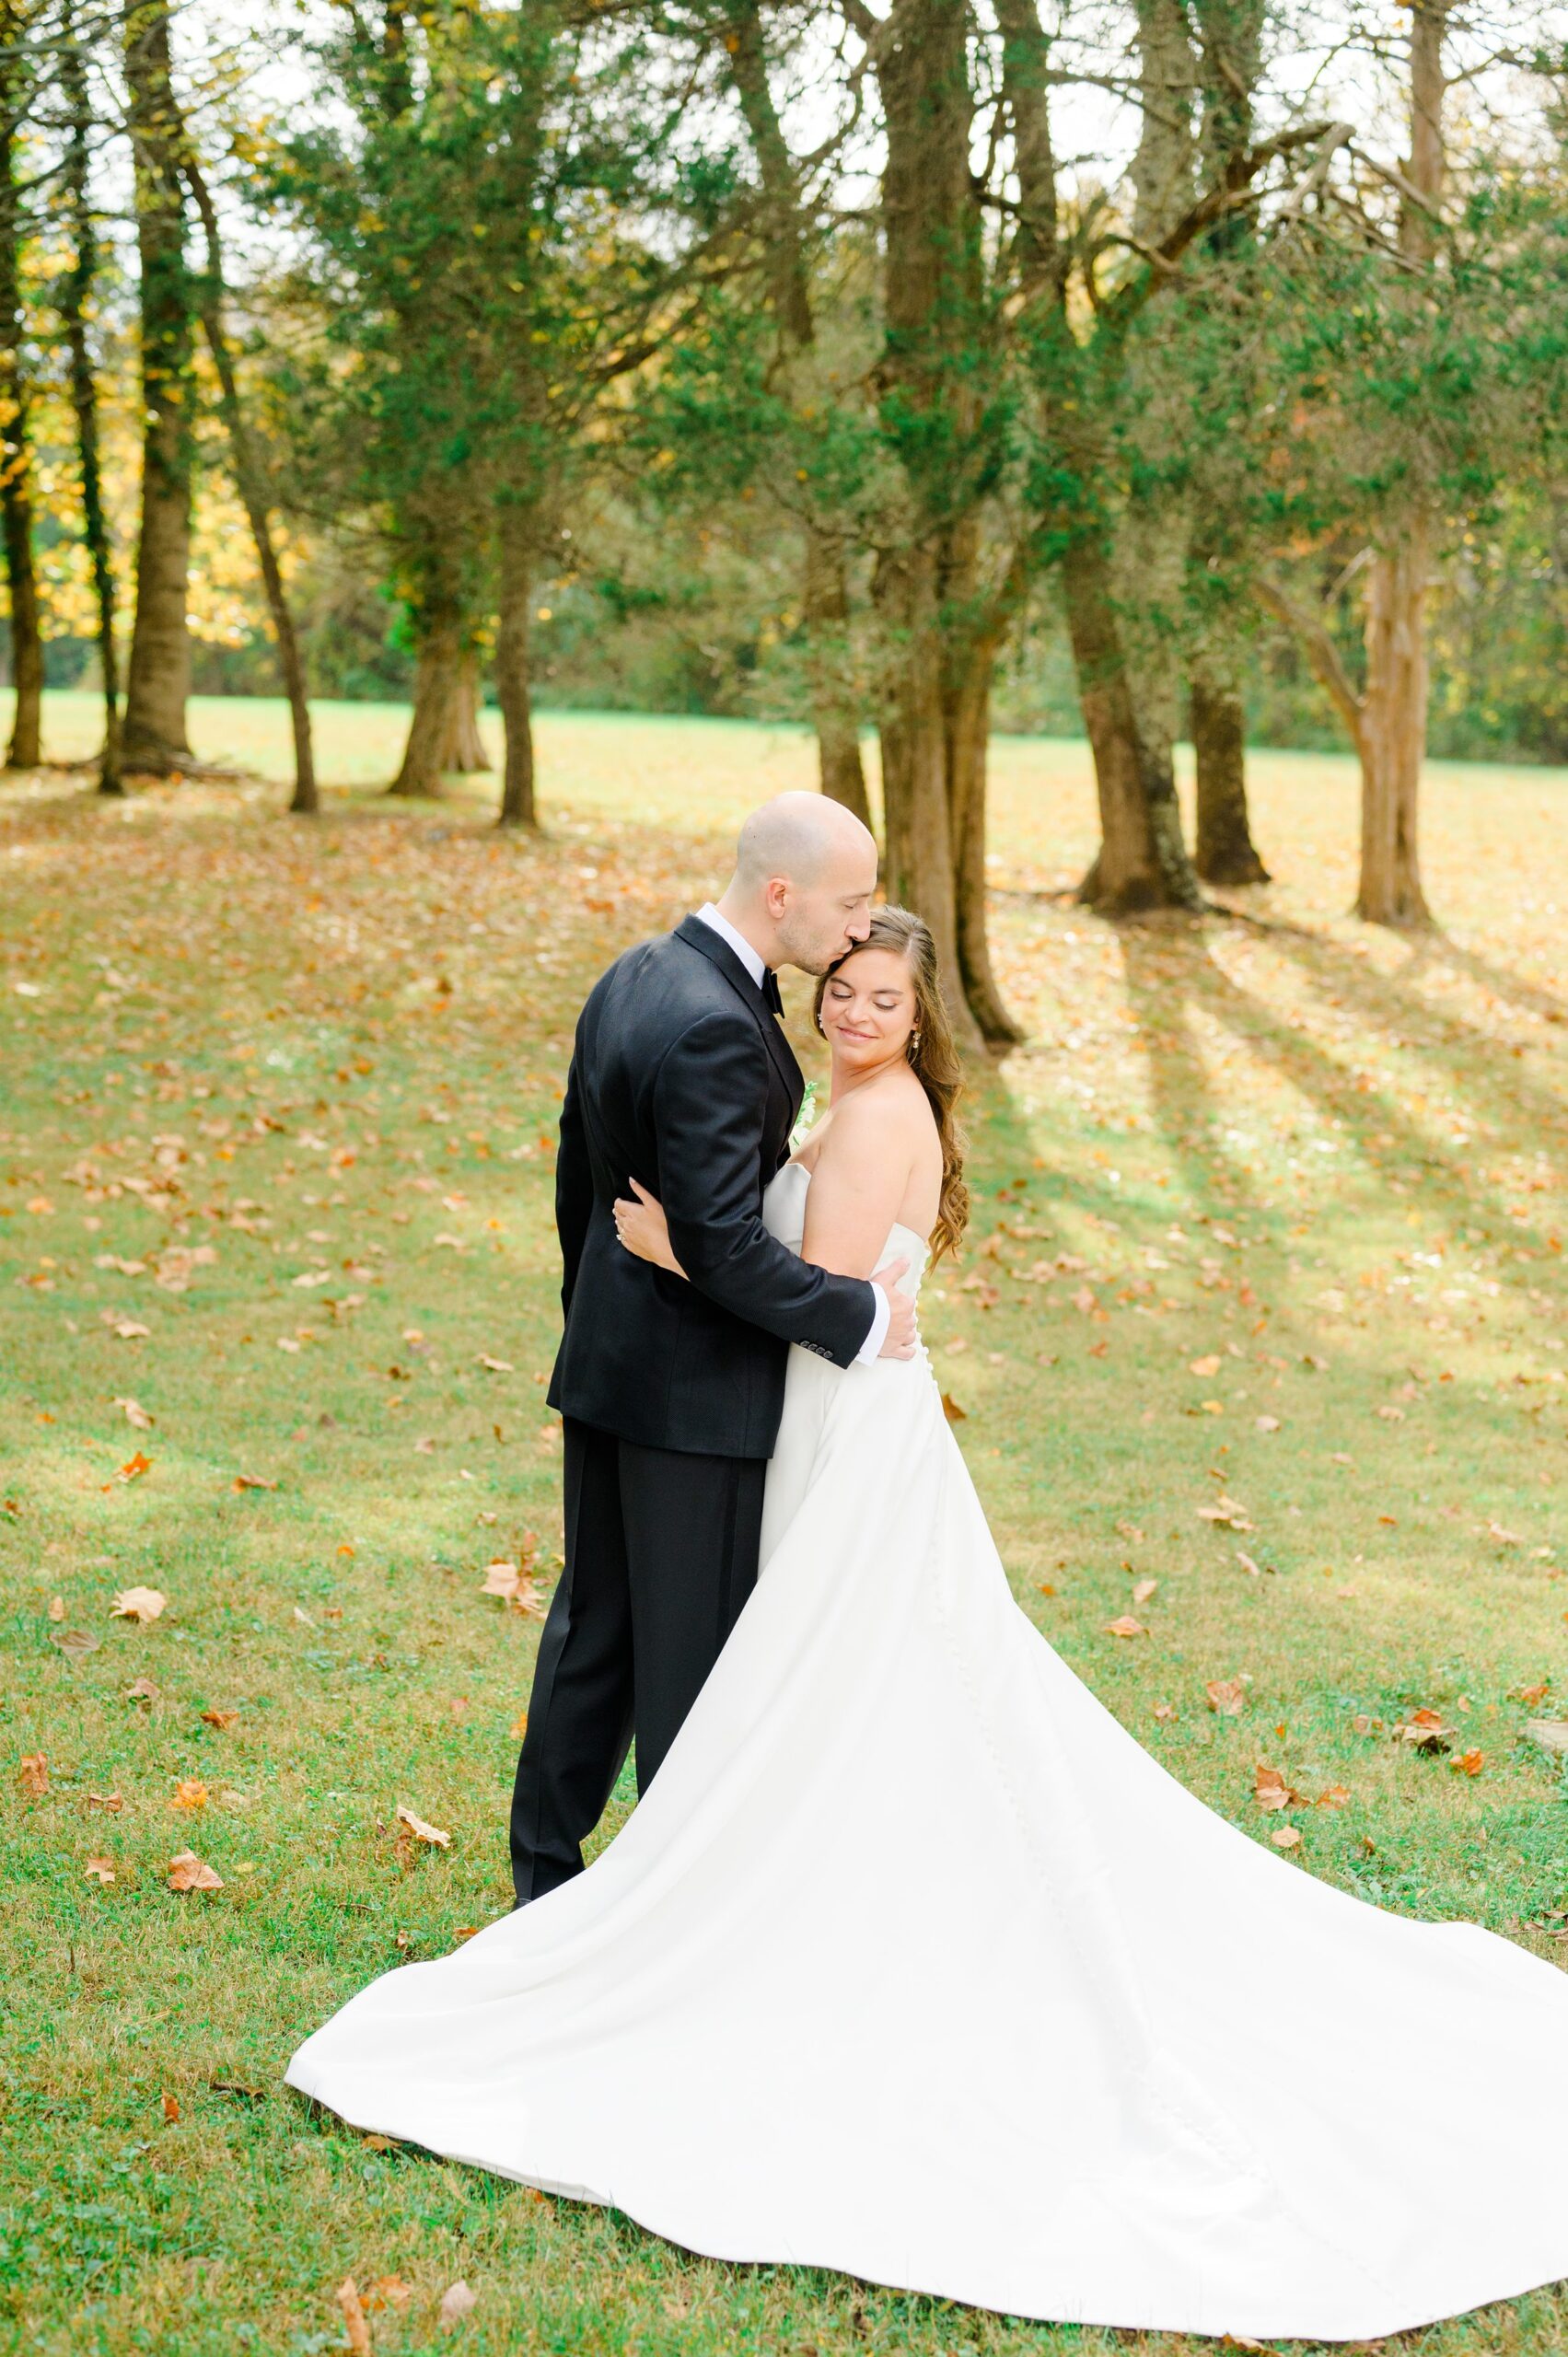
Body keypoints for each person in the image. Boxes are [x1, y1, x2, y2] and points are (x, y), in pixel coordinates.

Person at [287, 904, 1568, 2341]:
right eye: (838, 987)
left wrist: (663, 1254)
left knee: (842, 1672)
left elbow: (813, 1295)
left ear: (916, 1017)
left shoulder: (878, 1116)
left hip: (844, 1432)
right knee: (854, 1681)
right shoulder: (850, 1100)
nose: (848, 1011)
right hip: (837, 1415)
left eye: (879, 995)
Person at [508, 792, 917, 1906]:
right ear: (780, 893)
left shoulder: (637, 973)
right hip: (693, 1396)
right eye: (846, 904)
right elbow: (725, 1247)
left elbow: (576, 1179)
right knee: (688, 1659)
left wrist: (594, 1311)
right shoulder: (715, 1025)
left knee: (592, 1631)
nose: (854, 928)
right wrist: (865, 1319)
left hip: (612, 1367)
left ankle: (543, 1885)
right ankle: (666, 1908)